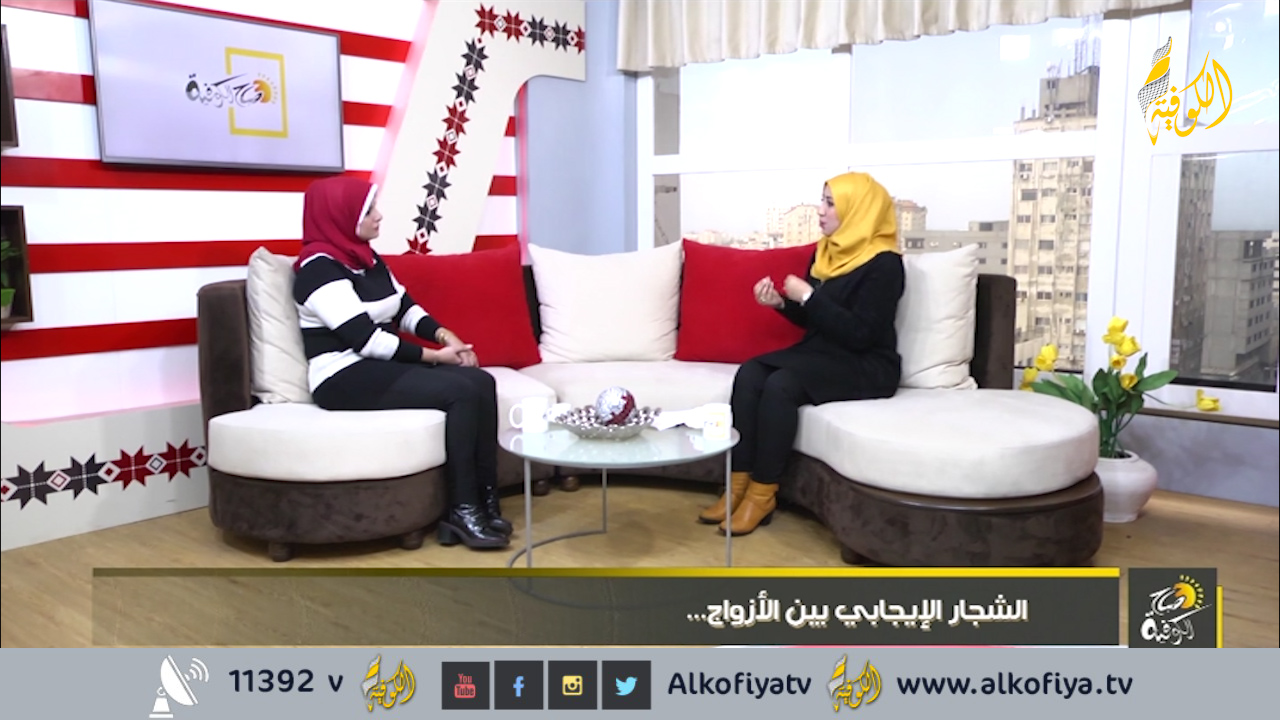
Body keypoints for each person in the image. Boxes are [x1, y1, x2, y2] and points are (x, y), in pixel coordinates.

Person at [292, 176, 510, 549]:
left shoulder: (366, 258)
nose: (379, 216)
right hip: (341, 375)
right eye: (368, 210)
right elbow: (365, 339)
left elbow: (405, 308)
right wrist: (435, 357)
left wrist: (447, 337)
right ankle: (461, 510)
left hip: (374, 366)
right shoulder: (318, 269)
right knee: (459, 391)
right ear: (341, 217)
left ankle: (484, 499)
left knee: (481, 382)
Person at [698, 172, 905, 536]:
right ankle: (737, 485)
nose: (820, 210)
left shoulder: (885, 263)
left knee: (782, 385)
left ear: (858, 210)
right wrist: (781, 303)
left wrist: (809, 296)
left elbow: (860, 334)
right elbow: (816, 320)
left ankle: (762, 494)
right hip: (824, 354)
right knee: (750, 373)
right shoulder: (826, 253)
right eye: (822, 201)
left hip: (866, 364)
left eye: (830, 203)